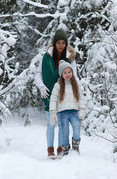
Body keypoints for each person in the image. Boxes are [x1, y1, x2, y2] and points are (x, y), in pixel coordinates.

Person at [34, 29, 78, 159]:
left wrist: (76, 93)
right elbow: (38, 74)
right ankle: (50, 150)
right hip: (49, 95)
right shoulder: (46, 58)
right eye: (58, 42)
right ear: (54, 43)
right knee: (51, 123)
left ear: (66, 44)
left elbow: (74, 76)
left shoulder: (70, 59)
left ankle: (60, 148)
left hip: (64, 95)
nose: (60, 45)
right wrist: (41, 86)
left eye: (63, 43)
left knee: (62, 124)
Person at [49, 60, 85, 156]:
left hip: (74, 111)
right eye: (65, 72)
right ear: (61, 74)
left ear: (72, 72)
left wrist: (82, 109)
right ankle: (65, 151)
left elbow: (81, 97)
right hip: (62, 113)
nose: (67, 74)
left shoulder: (76, 84)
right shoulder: (58, 85)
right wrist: (53, 112)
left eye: (69, 71)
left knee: (77, 127)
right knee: (65, 131)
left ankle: (76, 147)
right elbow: (53, 99)